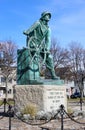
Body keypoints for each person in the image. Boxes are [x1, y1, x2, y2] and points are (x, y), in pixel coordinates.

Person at [23, 11, 58, 79]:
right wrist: (27, 32)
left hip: (40, 45)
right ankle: (35, 76)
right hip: (32, 42)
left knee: (49, 57)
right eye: (47, 15)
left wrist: (47, 49)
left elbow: (48, 39)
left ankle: (53, 75)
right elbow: (31, 29)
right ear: (43, 17)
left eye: (49, 16)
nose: (48, 17)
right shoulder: (37, 23)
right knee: (35, 55)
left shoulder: (48, 29)